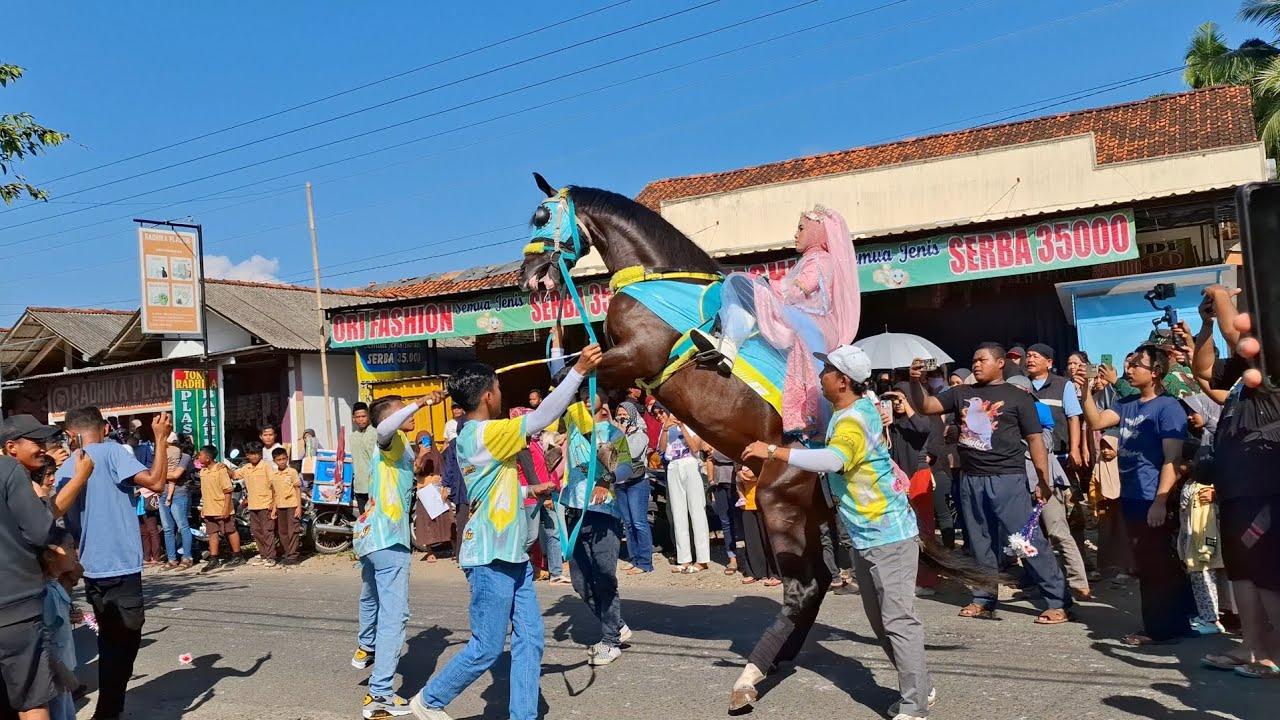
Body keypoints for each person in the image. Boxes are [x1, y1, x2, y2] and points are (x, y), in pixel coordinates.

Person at [742, 345, 933, 720]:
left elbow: (834, 460)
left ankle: (915, 706)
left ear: (843, 381)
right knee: (883, 624)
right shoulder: (849, 412)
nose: (820, 376)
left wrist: (774, 452)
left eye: (826, 370)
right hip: (865, 535)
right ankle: (920, 688)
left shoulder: (854, 419)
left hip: (889, 535)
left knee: (898, 622)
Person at [410, 345, 601, 720]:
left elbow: (493, 486)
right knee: (487, 646)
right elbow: (542, 417)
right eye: (498, 388)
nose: (501, 394)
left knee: (531, 638)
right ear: (487, 395)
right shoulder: (485, 433)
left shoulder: (479, 436)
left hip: (512, 555)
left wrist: (531, 488)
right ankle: (429, 701)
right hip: (489, 556)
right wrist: (578, 370)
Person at [908, 343, 1071, 624]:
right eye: (974, 360)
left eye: (982, 360)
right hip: (971, 479)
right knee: (979, 543)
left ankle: (1057, 601)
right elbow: (926, 406)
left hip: (1008, 479)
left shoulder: (1018, 397)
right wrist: (915, 381)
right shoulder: (960, 393)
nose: (976, 364)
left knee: (1026, 540)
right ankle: (983, 598)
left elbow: (1035, 440)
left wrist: (1042, 480)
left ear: (1000, 363)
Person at [692, 205, 860, 432]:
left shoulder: (820, 260)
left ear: (816, 233)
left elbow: (796, 292)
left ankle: (728, 344)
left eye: (801, 229)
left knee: (740, 284)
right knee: (743, 288)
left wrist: (768, 285)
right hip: (802, 320)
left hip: (807, 323)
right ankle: (727, 344)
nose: (796, 235)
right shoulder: (811, 259)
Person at [53, 407, 172, 720]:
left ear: (69, 434)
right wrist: (160, 439)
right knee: (124, 640)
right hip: (120, 564)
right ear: (105, 428)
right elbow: (156, 482)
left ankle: (110, 705)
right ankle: (108, 709)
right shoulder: (112, 452)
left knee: (110, 638)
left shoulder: (65, 466)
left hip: (88, 567)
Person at [1189, 285, 1280, 677]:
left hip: (1264, 489)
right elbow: (1204, 371)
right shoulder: (1242, 379)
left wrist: (1220, 293)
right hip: (1235, 491)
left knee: (1268, 573)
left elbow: (1235, 336)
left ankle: (1275, 655)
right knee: (1242, 571)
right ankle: (1252, 647)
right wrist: (1205, 324)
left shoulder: (1271, 365)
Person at [1077, 345, 1192, 645]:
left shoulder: (1168, 407)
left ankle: (1160, 630)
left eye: (1136, 365)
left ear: (1155, 372)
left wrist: (1160, 501)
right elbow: (1096, 422)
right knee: (1149, 562)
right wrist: (1084, 391)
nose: (1128, 369)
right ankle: (1175, 624)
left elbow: (1172, 459)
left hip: (1152, 497)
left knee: (1155, 564)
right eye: (1128, 364)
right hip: (1130, 495)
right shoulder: (1127, 403)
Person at [352, 391, 443, 718]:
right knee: (394, 616)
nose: (410, 413)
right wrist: (421, 402)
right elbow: (383, 429)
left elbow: (404, 476)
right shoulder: (388, 438)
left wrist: (422, 467)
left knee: (371, 595)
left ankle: (366, 646)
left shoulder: (401, 446)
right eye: (403, 409)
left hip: (371, 536)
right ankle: (379, 695)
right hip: (388, 538)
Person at [0, 415, 87, 720]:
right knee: (32, 700)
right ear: (11, 447)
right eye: (36, 442)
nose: (43, 447)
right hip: (15, 608)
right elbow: (41, 532)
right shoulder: (9, 470)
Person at [560, 383, 634, 666]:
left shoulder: (614, 434)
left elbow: (626, 467)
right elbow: (560, 383)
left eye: (592, 396)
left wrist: (606, 480)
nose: (586, 401)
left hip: (604, 514)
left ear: (604, 401)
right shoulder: (572, 424)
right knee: (580, 582)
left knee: (604, 576)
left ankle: (611, 642)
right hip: (575, 510)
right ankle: (616, 625)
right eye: (582, 398)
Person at [1005, 375, 1092, 601]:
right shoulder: (1004, 417)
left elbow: (1045, 444)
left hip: (1045, 482)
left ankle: (1079, 584)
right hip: (1018, 483)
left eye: (1014, 390)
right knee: (1027, 536)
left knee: (1058, 532)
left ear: (1026, 393)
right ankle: (1039, 582)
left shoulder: (1039, 412)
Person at [658, 406, 710, 573]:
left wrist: (682, 426)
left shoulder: (693, 425)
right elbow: (662, 448)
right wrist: (665, 428)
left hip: (690, 464)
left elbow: (695, 447)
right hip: (673, 466)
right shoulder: (667, 426)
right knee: (678, 513)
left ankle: (702, 559)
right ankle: (684, 558)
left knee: (697, 512)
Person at [40, 528, 81, 720]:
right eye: (70, 547)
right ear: (50, 555)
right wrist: (61, 669)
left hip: (62, 667)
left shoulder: (55, 585)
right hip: (55, 672)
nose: (75, 552)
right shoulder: (46, 593)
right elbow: (42, 638)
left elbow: (56, 622)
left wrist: (69, 615)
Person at [613, 397, 654, 574]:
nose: (622, 418)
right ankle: (634, 557)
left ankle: (645, 562)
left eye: (625, 414)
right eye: (619, 415)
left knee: (639, 522)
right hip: (620, 482)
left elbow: (631, 453)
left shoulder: (641, 435)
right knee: (628, 523)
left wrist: (621, 435)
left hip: (637, 482)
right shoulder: (615, 434)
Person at [197, 445, 243, 572]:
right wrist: (203, 507)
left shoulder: (220, 470)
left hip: (222, 506)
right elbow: (204, 492)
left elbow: (227, 490)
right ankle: (214, 558)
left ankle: (238, 555)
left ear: (208, 457)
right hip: (209, 508)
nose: (198, 457)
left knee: (230, 530)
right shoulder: (203, 472)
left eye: (200, 455)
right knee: (212, 533)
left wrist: (226, 508)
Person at [411, 432, 454, 564]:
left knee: (447, 519)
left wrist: (444, 485)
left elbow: (445, 471)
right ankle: (430, 551)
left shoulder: (437, 455)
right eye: (420, 442)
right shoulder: (416, 455)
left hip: (438, 490)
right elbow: (415, 470)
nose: (423, 444)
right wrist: (421, 455)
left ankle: (454, 548)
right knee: (426, 522)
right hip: (425, 492)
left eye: (426, 441)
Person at [735, 466, 780, 587]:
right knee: (751, 539)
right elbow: (738, 475)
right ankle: (755, 572)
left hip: (767, 499)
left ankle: (776, 573)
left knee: (769, 539)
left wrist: (754, 473)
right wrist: (739, 472)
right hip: (748, 500)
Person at [236, 442, 278, 568]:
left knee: (267, 531)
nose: (254, 456)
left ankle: (271, 557)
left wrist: (274, 503)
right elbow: (234, 475)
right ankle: (264, 555)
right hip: (253, 505)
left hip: (266, 504)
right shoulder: (246, 468)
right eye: (252, 454)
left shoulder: (266, 466)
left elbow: (274, 485)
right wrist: (223, 467)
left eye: (257, 454)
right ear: (247, 455)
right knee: (256, 531)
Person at [158, 433, 195, 571]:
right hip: (163, 494)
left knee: (182, 526)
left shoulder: (185, 457)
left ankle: (187, 557)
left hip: (179, 494)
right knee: (167, 528)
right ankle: (172, 559)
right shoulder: (163, 455)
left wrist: (160, 475)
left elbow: (176, 475)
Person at [705, 446, 741, 575]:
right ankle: (732, 558)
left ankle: (751, 558)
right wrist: (711, 480)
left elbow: (735, 454)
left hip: (737, 481)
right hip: (718, 481)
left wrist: (716, 454)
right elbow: (706, 455)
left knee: (741, 521)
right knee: (725, 521)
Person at [270, 447, 303, 567]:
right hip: (280, 506)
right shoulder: (274, 474)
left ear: (287, 458)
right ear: (274, 461)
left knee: (292, 530)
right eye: (279, 460)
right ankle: (288, 553)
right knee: (282, 531)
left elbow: (297, 489)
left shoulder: (292, 472)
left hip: (292, 505)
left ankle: (293, 556)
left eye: (284, 459)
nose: (282, 462)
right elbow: (275, 493)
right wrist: (274, 508)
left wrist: (299, 507)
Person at [351, 401, 376, 512]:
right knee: (363, 519)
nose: (361, 419)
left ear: (368, 416)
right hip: (359, 486)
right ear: (353, 419)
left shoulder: (376, 433)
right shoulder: (352, 437)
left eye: (363, 416)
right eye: (358, 417)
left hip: (375, 486)